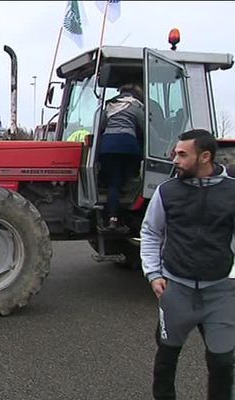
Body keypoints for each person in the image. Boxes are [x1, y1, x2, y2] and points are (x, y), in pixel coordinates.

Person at [140, 129, 235, 400]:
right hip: (177, 288)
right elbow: (151, 232)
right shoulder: (166, 191)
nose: (175, 159)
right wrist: (153, 273)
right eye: (175, 153)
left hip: (220, 292)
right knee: (166, 361)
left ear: (205, 157)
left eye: (182, 154)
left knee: (222, 363)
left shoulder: (232, 192)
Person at [98, 83, 145, 230]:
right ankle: (126, 207)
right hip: (128, 146)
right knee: (129, 177)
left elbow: (101, 126)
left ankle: (112, 217)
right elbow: (145, 127)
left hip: (107, 146)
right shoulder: (136, 106)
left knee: (113, 183)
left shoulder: (110, 106)